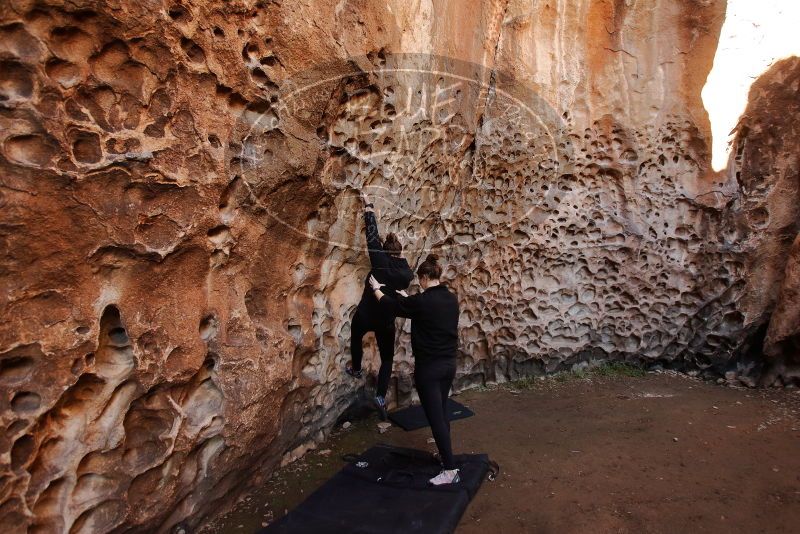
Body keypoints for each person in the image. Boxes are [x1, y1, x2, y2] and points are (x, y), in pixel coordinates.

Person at [369, 254, 461, 485]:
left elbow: (393, 306)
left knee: (435, 417)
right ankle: (445, 456)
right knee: (441, 411)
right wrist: (405, 297)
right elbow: (416, 304)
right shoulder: (451, 299)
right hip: (449, 364)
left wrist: (376, 289)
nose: (418, 283)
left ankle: (450, 470)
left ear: (425, 277)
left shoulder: (421, 302)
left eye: (419, 280)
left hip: (429, 368)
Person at [345, 192, 414, 420]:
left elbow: (372, 236)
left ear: (386, 251)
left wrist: (369, 206)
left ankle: (356, 369)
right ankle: (381, 396)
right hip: (386, 320)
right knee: (387, 359)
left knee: (355, 336)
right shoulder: (406, 274)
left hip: (366, 314)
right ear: (400, 252)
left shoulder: (379, 261)